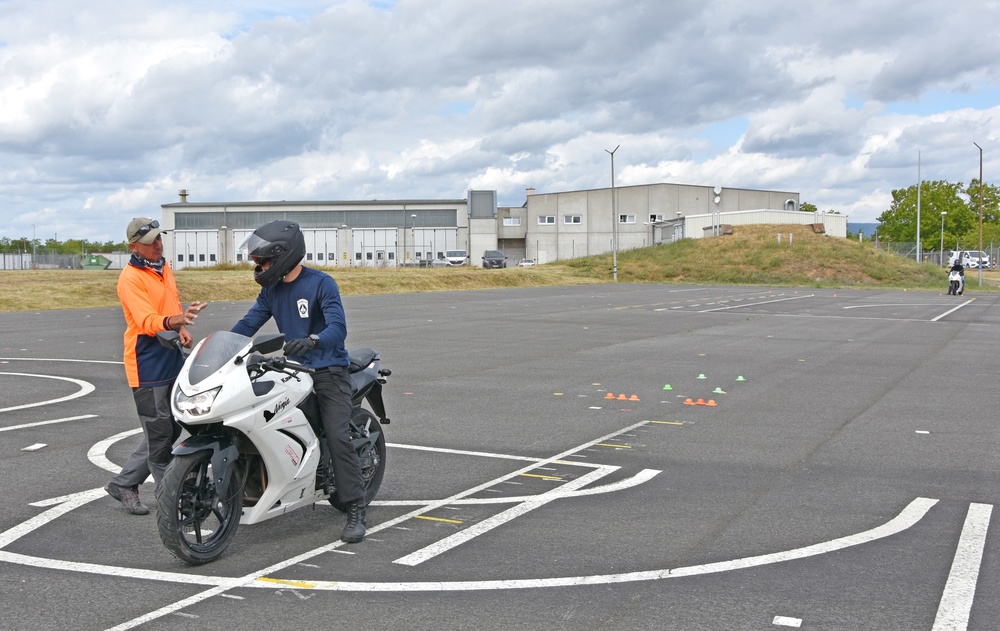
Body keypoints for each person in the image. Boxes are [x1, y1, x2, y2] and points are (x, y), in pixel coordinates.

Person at [230, 220, 367, 543]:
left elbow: (338, 328)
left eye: (262, 260)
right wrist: (221, 347)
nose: (258, 266)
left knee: (336, 434)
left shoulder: (321, 284)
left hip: (327, 370)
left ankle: (356, 507)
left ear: (282, 255)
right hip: (291, 370)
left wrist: (314, 340)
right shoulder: (271, 290)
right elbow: (247, 324)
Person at [105, 217, 206, 514]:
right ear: (133, 247)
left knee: (170, 429)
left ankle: (124, 483)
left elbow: (171, 305)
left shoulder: (162, 267)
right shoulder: (130, 279)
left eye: (159, 239)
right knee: (161, 436)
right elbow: (147, 321)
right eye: (150, 242)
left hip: (171, 356)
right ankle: (174, 504)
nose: (158, 245)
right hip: (146, 362)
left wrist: (181, 329)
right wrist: (176, 320)